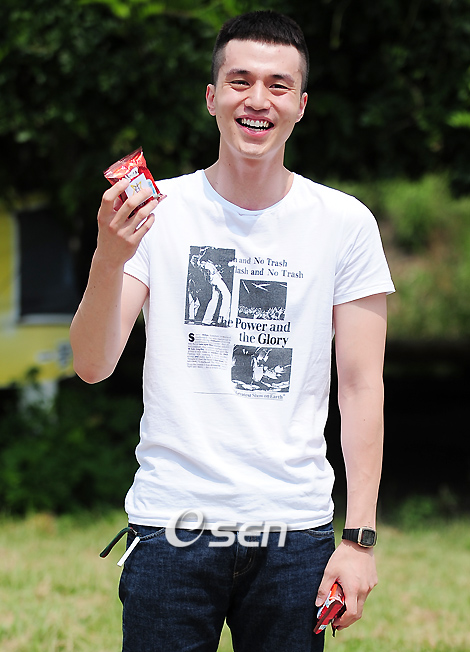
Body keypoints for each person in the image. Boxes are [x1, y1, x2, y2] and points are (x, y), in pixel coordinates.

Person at [70, 10, 394, 652]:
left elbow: (361, 386)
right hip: (171, 529)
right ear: (212, 97)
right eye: (240, 81)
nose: (257, 99)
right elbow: (91, 364)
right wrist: (109, 256)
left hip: (294, 536)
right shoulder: (155, 214)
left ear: (301, 106)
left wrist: (358, 539)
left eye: (278, 85)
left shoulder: (344, 223)